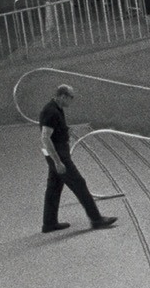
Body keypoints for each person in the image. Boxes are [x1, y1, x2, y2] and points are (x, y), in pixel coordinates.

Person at [39, 85, 117, 232]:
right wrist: (58, 161)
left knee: (54, 188)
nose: (71, 101)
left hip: (56, 152)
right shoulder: (51, 111)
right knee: (79, 184)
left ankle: (49, 223)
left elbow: (54, 131)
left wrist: (66, 130)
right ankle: (96, 219)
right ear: (63, 96)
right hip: (58, 154)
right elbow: (45, 137)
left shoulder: (56, 108)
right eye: (71, 97)